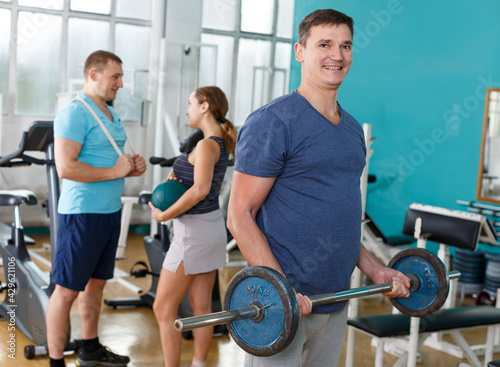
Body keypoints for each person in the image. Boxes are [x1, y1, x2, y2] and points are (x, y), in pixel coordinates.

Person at [226, 9, 411, 367]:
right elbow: (239, 215)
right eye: (324, 44)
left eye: (345, 46)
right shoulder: (273, 122)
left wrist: (374, 269)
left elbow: (335, 218)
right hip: (285, 306)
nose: (337, 56)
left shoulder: (353, 129)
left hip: (337, 298)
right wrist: (282, 292)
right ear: (300, 51)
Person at [46, 50, 147, 367]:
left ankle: (89, 349)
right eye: (115, 76)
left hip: (109, 213)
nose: (121, 83)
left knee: (97, 284)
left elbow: (110, 160)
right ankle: (55, 361)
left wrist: (130, 167)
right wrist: (114, 172)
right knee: (66, 290)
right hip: (82, 214)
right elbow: (65, 167)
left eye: (121, 76)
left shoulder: (110, 113)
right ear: (93, 75)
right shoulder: (74, 113)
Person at [149, 86, 237, 367]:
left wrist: (164, 216)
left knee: (163, 308)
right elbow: (195, 185)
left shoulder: (206, 144)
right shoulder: (217, 141)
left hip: (192, 235)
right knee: (201, 308)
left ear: (205, 107)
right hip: (210, 229)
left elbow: (199, 190)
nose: (186, 109)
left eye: (190, 103)